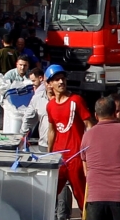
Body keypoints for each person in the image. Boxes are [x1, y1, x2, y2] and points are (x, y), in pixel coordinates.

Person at [46, 64, 94, 220]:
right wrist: (49, 153)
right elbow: (52, 130)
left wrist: (92, 150)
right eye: (56, 79)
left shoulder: (76, 100)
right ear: (49, 83)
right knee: (49, 194)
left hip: (77, 158)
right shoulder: (50, 105)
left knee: (82, 196)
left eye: (62, 78)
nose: (61, 82)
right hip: (58, 158)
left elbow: (89, 125)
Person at [23, 67, 50, 151]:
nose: (32, 83)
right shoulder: (38, 93)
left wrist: (23, 135)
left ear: (41, 79)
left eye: (34, 81)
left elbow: (28, 117)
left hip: (45, 143)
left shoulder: (39, 94)